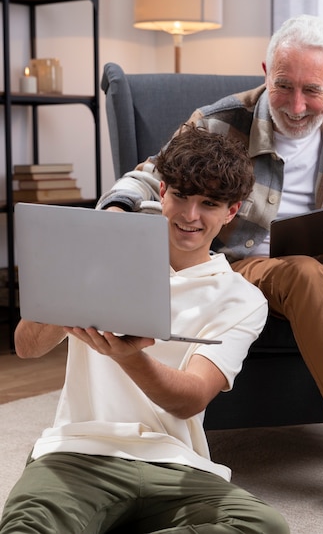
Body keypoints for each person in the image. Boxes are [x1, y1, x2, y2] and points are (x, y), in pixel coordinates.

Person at [97, 14, 323, 522]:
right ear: (266, 70)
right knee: (303, 274)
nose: (295, 105)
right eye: (282, 86)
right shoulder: (222, 121)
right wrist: (116, 210)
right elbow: (150, 175)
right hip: (248, 266)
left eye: (312, 91)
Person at [0, 125, 289, 534]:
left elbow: (189, 400)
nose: (191, 215)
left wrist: (129, 356)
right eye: (182, 197)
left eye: (209, 203)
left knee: (262, 525)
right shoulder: (101, 256)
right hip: (79, 450)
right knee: (26, 528)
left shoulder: (243, 299)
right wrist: (70, 287)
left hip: (174, 461)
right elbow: (26, 347)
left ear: (232, 211)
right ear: (162, 193)